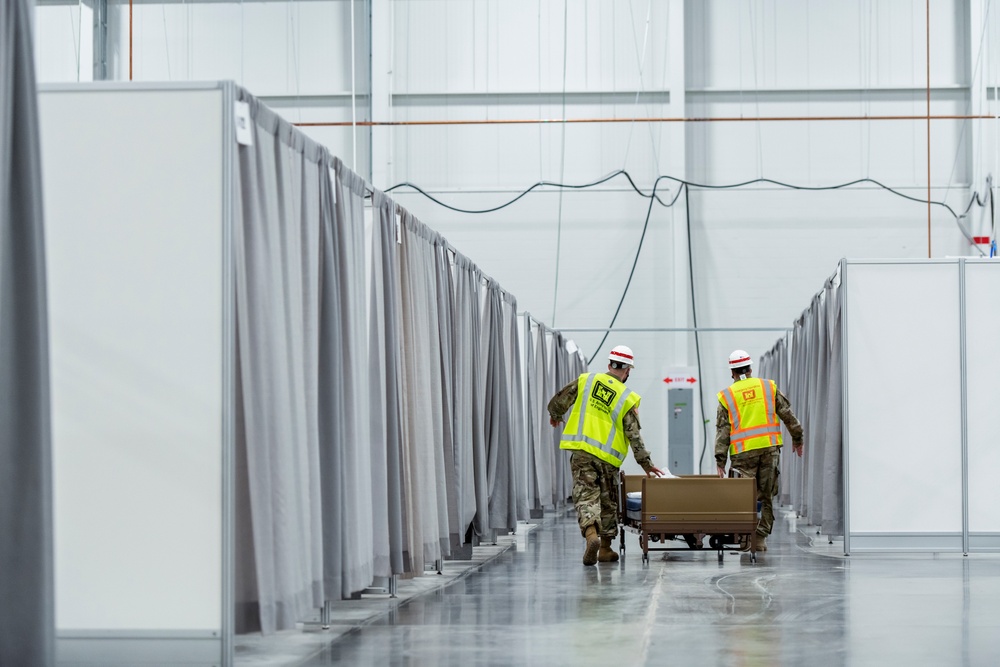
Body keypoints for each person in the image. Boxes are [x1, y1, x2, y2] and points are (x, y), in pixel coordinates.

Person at [548, 345, 665, 565]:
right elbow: (634, 436)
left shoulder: (586, 380)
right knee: (607, 500)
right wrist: (646, 464)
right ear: (628, 370)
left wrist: (555, 415)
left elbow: (558, 401)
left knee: (585, 495)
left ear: (609, 364)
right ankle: (604, 548)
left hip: (582, 451)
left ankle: (590, 534)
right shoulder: (627, 397)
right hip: (608, 460)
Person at [715, 349, 803, 552]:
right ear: (750, 368)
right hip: (769, 450)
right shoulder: (768, 387)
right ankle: (760, 538)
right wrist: (798, 439)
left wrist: (720, 460)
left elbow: (723, 431)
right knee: (766, 495)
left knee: (744, 496)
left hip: (742, 454)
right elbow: (789, 416)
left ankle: (744, 537)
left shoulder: (726, 396)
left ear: (732, 372)